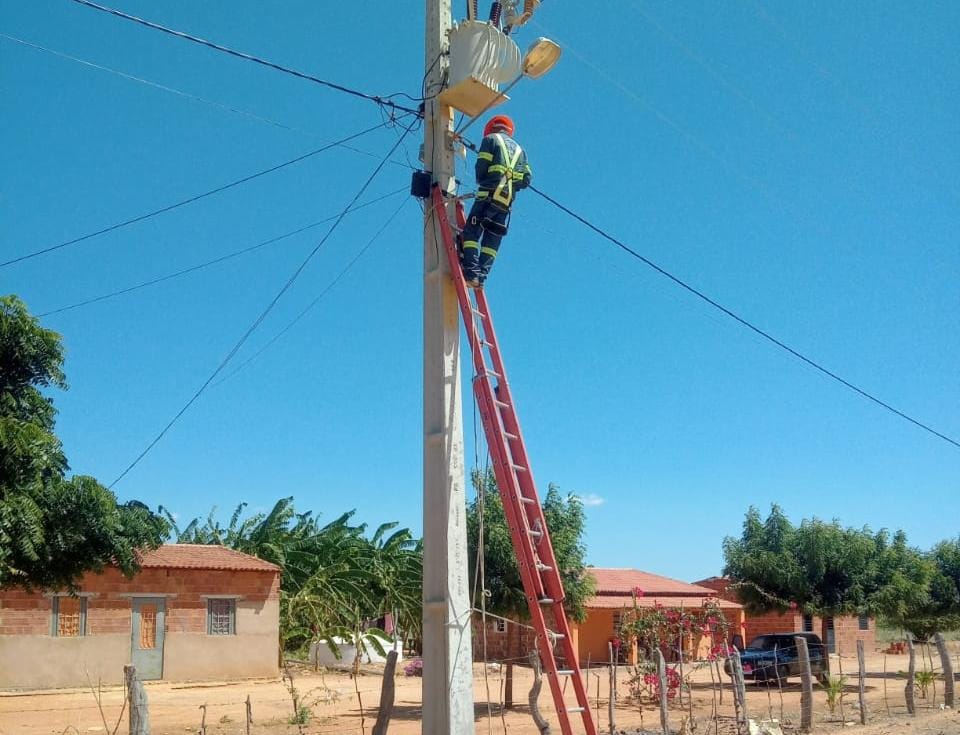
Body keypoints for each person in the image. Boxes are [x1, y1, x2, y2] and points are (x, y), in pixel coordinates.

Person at [460, 114, 531, 288]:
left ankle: (471, 273)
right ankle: (481, 277)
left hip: (487, 195)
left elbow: (481, 168)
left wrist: (486, 180)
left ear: (491, 128)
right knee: (492, 241)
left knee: (471, 233)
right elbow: (527, 179)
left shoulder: (490, 140)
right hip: (505, 203)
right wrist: (512, 183)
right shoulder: (521, 151)